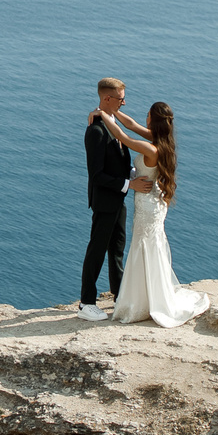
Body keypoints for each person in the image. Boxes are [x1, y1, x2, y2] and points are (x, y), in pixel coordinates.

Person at [99, 101, 208, 328]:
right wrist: (112, 110)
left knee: (143, 247)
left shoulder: (151, 148)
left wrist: (102, 114)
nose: (144, 118)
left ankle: (140, 302)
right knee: (150, 246)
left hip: (148, 205)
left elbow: (124, 136)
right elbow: (130, 124)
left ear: (152, 119)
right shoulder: (162, 142)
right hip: (155, 202)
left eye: (147, 115)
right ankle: (149, 296)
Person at [79, 77, 135, 321]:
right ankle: (86, 303)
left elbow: (121, 159)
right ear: (107, 98)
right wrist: (128, 184)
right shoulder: (96, 131)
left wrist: (131, 175)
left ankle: (119, 295)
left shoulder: (111, 122)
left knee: (117, 250)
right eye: (121, 98)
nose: (125, 102)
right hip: (104, 200)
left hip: (118, 199)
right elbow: (97, 175)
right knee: (97, 250)